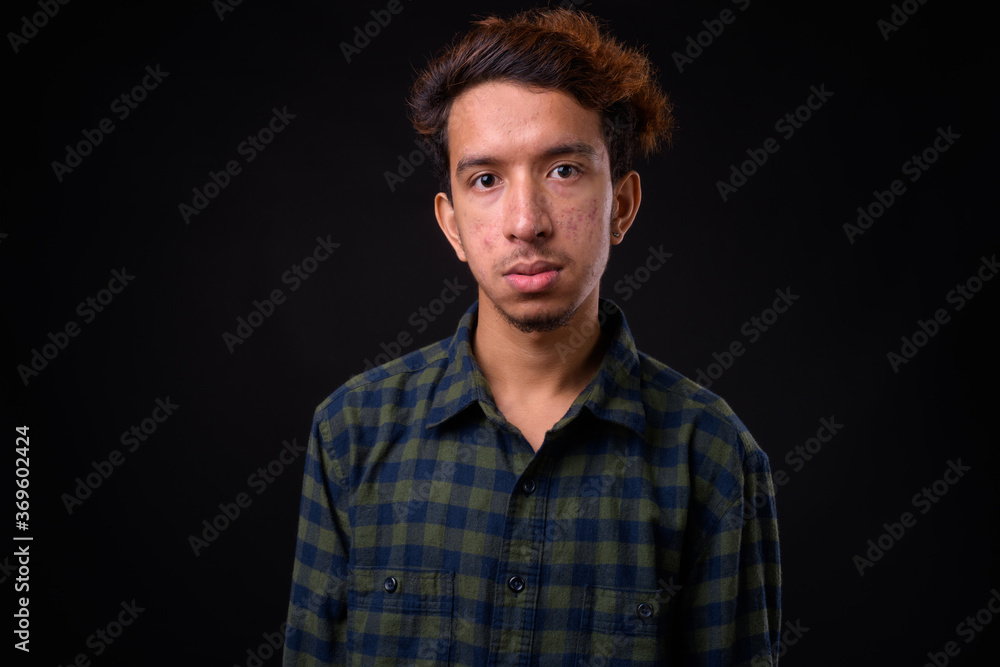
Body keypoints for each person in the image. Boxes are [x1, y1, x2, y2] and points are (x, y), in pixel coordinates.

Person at [282, 7, 781, 665]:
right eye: (486, 180)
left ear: (622, 205)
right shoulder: (352, 432)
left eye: (563, 171)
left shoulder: (712, 458)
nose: (526, 221)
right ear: (452, 223)